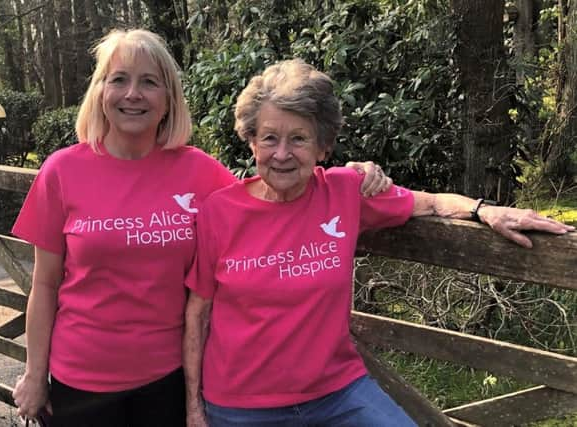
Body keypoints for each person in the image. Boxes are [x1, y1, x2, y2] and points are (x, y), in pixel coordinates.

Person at [11, 30, 388, 427]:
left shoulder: (200, 171)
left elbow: (275, 194)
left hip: (168, 379)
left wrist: (349, 177)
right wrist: (35, 375)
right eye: (119, 79)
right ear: (100, 90)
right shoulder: (62, 171)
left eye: (149, 82)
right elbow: (46, 285)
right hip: (81, 380)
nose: (133, 94)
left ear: (168, 98)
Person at [183, 59, 575, 427]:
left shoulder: (344, 192)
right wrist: (194, 408)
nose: (282, 154)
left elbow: (433, 202)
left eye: (299, 139)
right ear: (251, 142)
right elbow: (198, 313)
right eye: (269, 138)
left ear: (323, 147)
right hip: (243, 406)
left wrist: (484, 210)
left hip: (336, 393)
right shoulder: (221, 211)